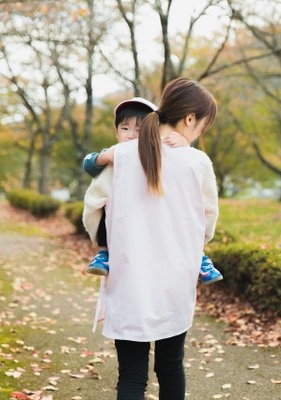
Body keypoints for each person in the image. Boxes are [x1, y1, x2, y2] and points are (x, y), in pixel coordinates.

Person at [92, 78, 219, 400]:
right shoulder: (197, 161)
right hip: (176, 280)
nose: (198, 133)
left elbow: (92, 208)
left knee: (132, 376)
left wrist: (105, 244)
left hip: (129, 278)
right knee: (170, 367)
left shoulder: (120, 155)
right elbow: (208, 221)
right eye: (202, 126)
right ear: (190, 119)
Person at [82, 97, 222, 285]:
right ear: (116, 131)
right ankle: (198, 256)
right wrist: (103, 157)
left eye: (139, 130)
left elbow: (93, 203)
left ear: (149, 130)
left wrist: (97, 235)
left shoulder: (121, 157)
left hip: (128, 247)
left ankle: (107, 251)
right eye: (125, 128)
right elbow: (208, 212)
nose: (130, 135)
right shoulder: (113, 154)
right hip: (173, 251)